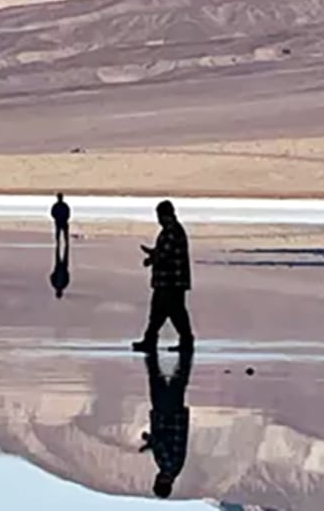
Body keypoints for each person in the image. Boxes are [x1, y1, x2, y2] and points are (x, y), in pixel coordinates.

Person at [132, 200, 194, 353]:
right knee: (163, 313)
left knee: (171, 312)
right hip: (170, 281)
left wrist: (151, 258)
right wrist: (153, 253)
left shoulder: (172, 231)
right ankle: (153, 340)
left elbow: (165, 254)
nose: (158, 219)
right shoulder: (171, 230)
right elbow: (164, 251)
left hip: (171, 281)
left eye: (159, 215)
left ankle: (182, 341)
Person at [138, 348, 193, 499]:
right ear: (161, 482)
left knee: (175, 380)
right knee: (160, 379)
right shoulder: (168, 467)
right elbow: (161, 443)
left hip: (172, 416)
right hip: (168, 416)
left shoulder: (173, 467)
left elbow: (164, 444)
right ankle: (182, 348)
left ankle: (183, 350)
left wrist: (150, 444)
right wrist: (148, 440)